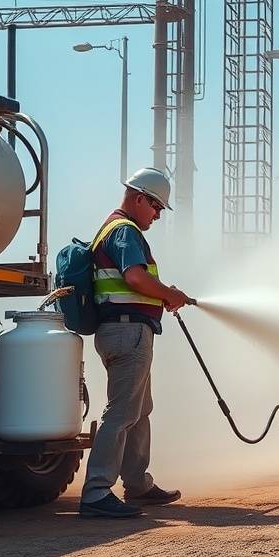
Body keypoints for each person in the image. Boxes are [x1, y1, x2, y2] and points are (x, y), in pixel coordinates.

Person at [79, 167, 193, 518]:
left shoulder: (113, 229)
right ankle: (97, 491)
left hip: (125, 331)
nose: (157, 215)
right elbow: (135, 277)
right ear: (140, 198)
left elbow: (134, 283)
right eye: (156, 207)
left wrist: (163, 295)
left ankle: (137, 484)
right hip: (127, 333)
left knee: (140, 410)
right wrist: (168, 294)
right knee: (122, 412)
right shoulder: (124, 231)